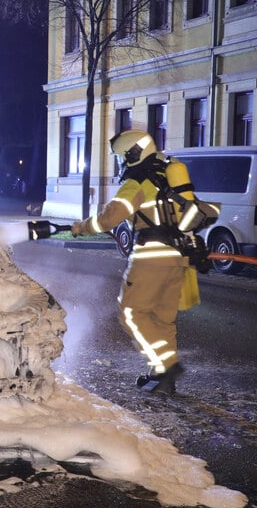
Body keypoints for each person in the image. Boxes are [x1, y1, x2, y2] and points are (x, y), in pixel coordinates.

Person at [71, 130, 216, 393]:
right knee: (162, 320)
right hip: (178, 258)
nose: (121, 163)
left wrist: (80, 227)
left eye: (122, 157)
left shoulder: (137, 181)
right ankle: (162, 380)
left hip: (151, 257)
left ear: (133, 154)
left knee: (131, 313)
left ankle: (166, 366)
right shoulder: (168, 174)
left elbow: (109, 218)